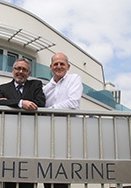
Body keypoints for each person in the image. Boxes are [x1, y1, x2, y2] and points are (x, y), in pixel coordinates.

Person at [0, 58, 45, 188]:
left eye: (24, 69)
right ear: (13, 71)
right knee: (9, 174)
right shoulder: (2, 88)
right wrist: (21, 103)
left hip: (30, 136)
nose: (20, 72)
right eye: (18, 68)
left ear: (29, 73)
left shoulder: (36, 85)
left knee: (27, 175)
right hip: (9, 137)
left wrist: (10, 101)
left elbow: (40, 103)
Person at [43, 52, 83, 188]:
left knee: (63, 171)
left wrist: (50, 110)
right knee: (47, 170)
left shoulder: (74, 79)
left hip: (67, 132)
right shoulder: (46, 88)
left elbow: (73, 104)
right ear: (51, 67)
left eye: (62, 64)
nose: (59, 66)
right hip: (48, 134)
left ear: (68, 66)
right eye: (56, 64)